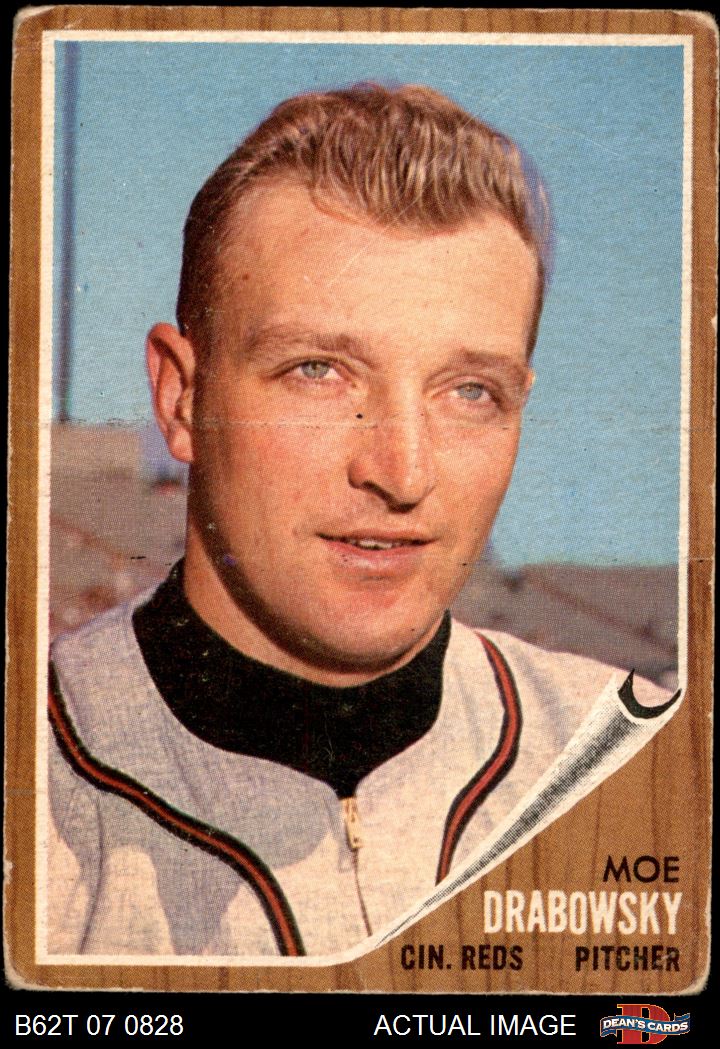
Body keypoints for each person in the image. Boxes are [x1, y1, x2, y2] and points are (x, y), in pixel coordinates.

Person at [47, 83, 674, 959]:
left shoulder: (641, 768)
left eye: (470, 391)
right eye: (318, 371)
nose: (403, 472)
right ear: (182, 396)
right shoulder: (28, 778)